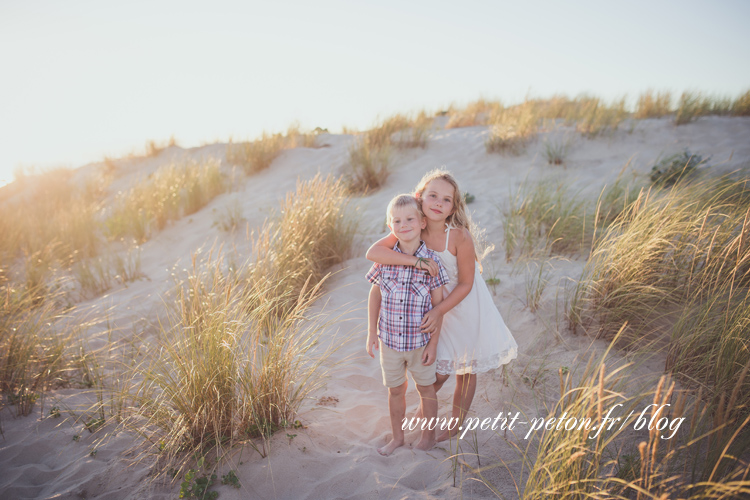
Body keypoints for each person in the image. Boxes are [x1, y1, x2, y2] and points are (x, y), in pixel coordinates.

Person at [366, 169, 518, 442]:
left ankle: (455, 425)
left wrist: (438, 311)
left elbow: (466, 284)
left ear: (453, 208)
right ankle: (427, 411)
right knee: (437, 371)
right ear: (419, 197)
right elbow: (373, 253)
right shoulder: (412, 228)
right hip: (431, 305)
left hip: (465, 306)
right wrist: (416, 262)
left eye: (446, 200)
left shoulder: (459, 236)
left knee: (466, 368)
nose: (438, 202)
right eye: (432, 195)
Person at [365, 194, 449, 455]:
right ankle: (397, 438)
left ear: (422, 222)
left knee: (426, 389)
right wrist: (371, 332)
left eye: (410, 219)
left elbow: (438, 308)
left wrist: (433, 345)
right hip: (390, 341)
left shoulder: (432, 263)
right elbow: (375, 294)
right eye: (397, 221)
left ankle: (428, 437)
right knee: (395, 390)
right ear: (390, 227)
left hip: (418, 343)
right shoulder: (386, 259)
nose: (404, 225)